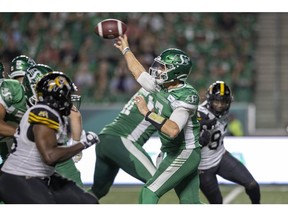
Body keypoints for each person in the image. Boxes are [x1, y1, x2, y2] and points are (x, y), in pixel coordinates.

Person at [114, 35, 201, 204]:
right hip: (171, 151)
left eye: (163, 67)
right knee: (191, 204)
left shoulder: (186, 95)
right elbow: (137, 71)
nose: (158, 70)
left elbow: (173, 129)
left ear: (176, 72)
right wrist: (126, 49)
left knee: (149, 192)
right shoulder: (161, 85)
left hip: (185, 151)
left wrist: (147, 113)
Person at [0, 71, 99, 204]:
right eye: (66, 95)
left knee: (87, 202)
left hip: (38, 175)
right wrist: (83, 143)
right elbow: (49, 156)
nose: (68, 99)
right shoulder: (43, 113)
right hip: (20, 177)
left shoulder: (48, 111)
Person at [197, 80, 261, 204]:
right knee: (217, 203)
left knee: (253, 185)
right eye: (217, 101)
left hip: (221, 156)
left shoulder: (223, 113)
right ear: (210, 100)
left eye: (224, 102)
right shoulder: (201, 114)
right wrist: (199, 137)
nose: (220, 105)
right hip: (203, 167)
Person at [91, 87, 157, 200]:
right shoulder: (164, 97)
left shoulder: (146, 87)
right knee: (157, 182)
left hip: (105, 138)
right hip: (121, 140)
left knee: (98, 191)